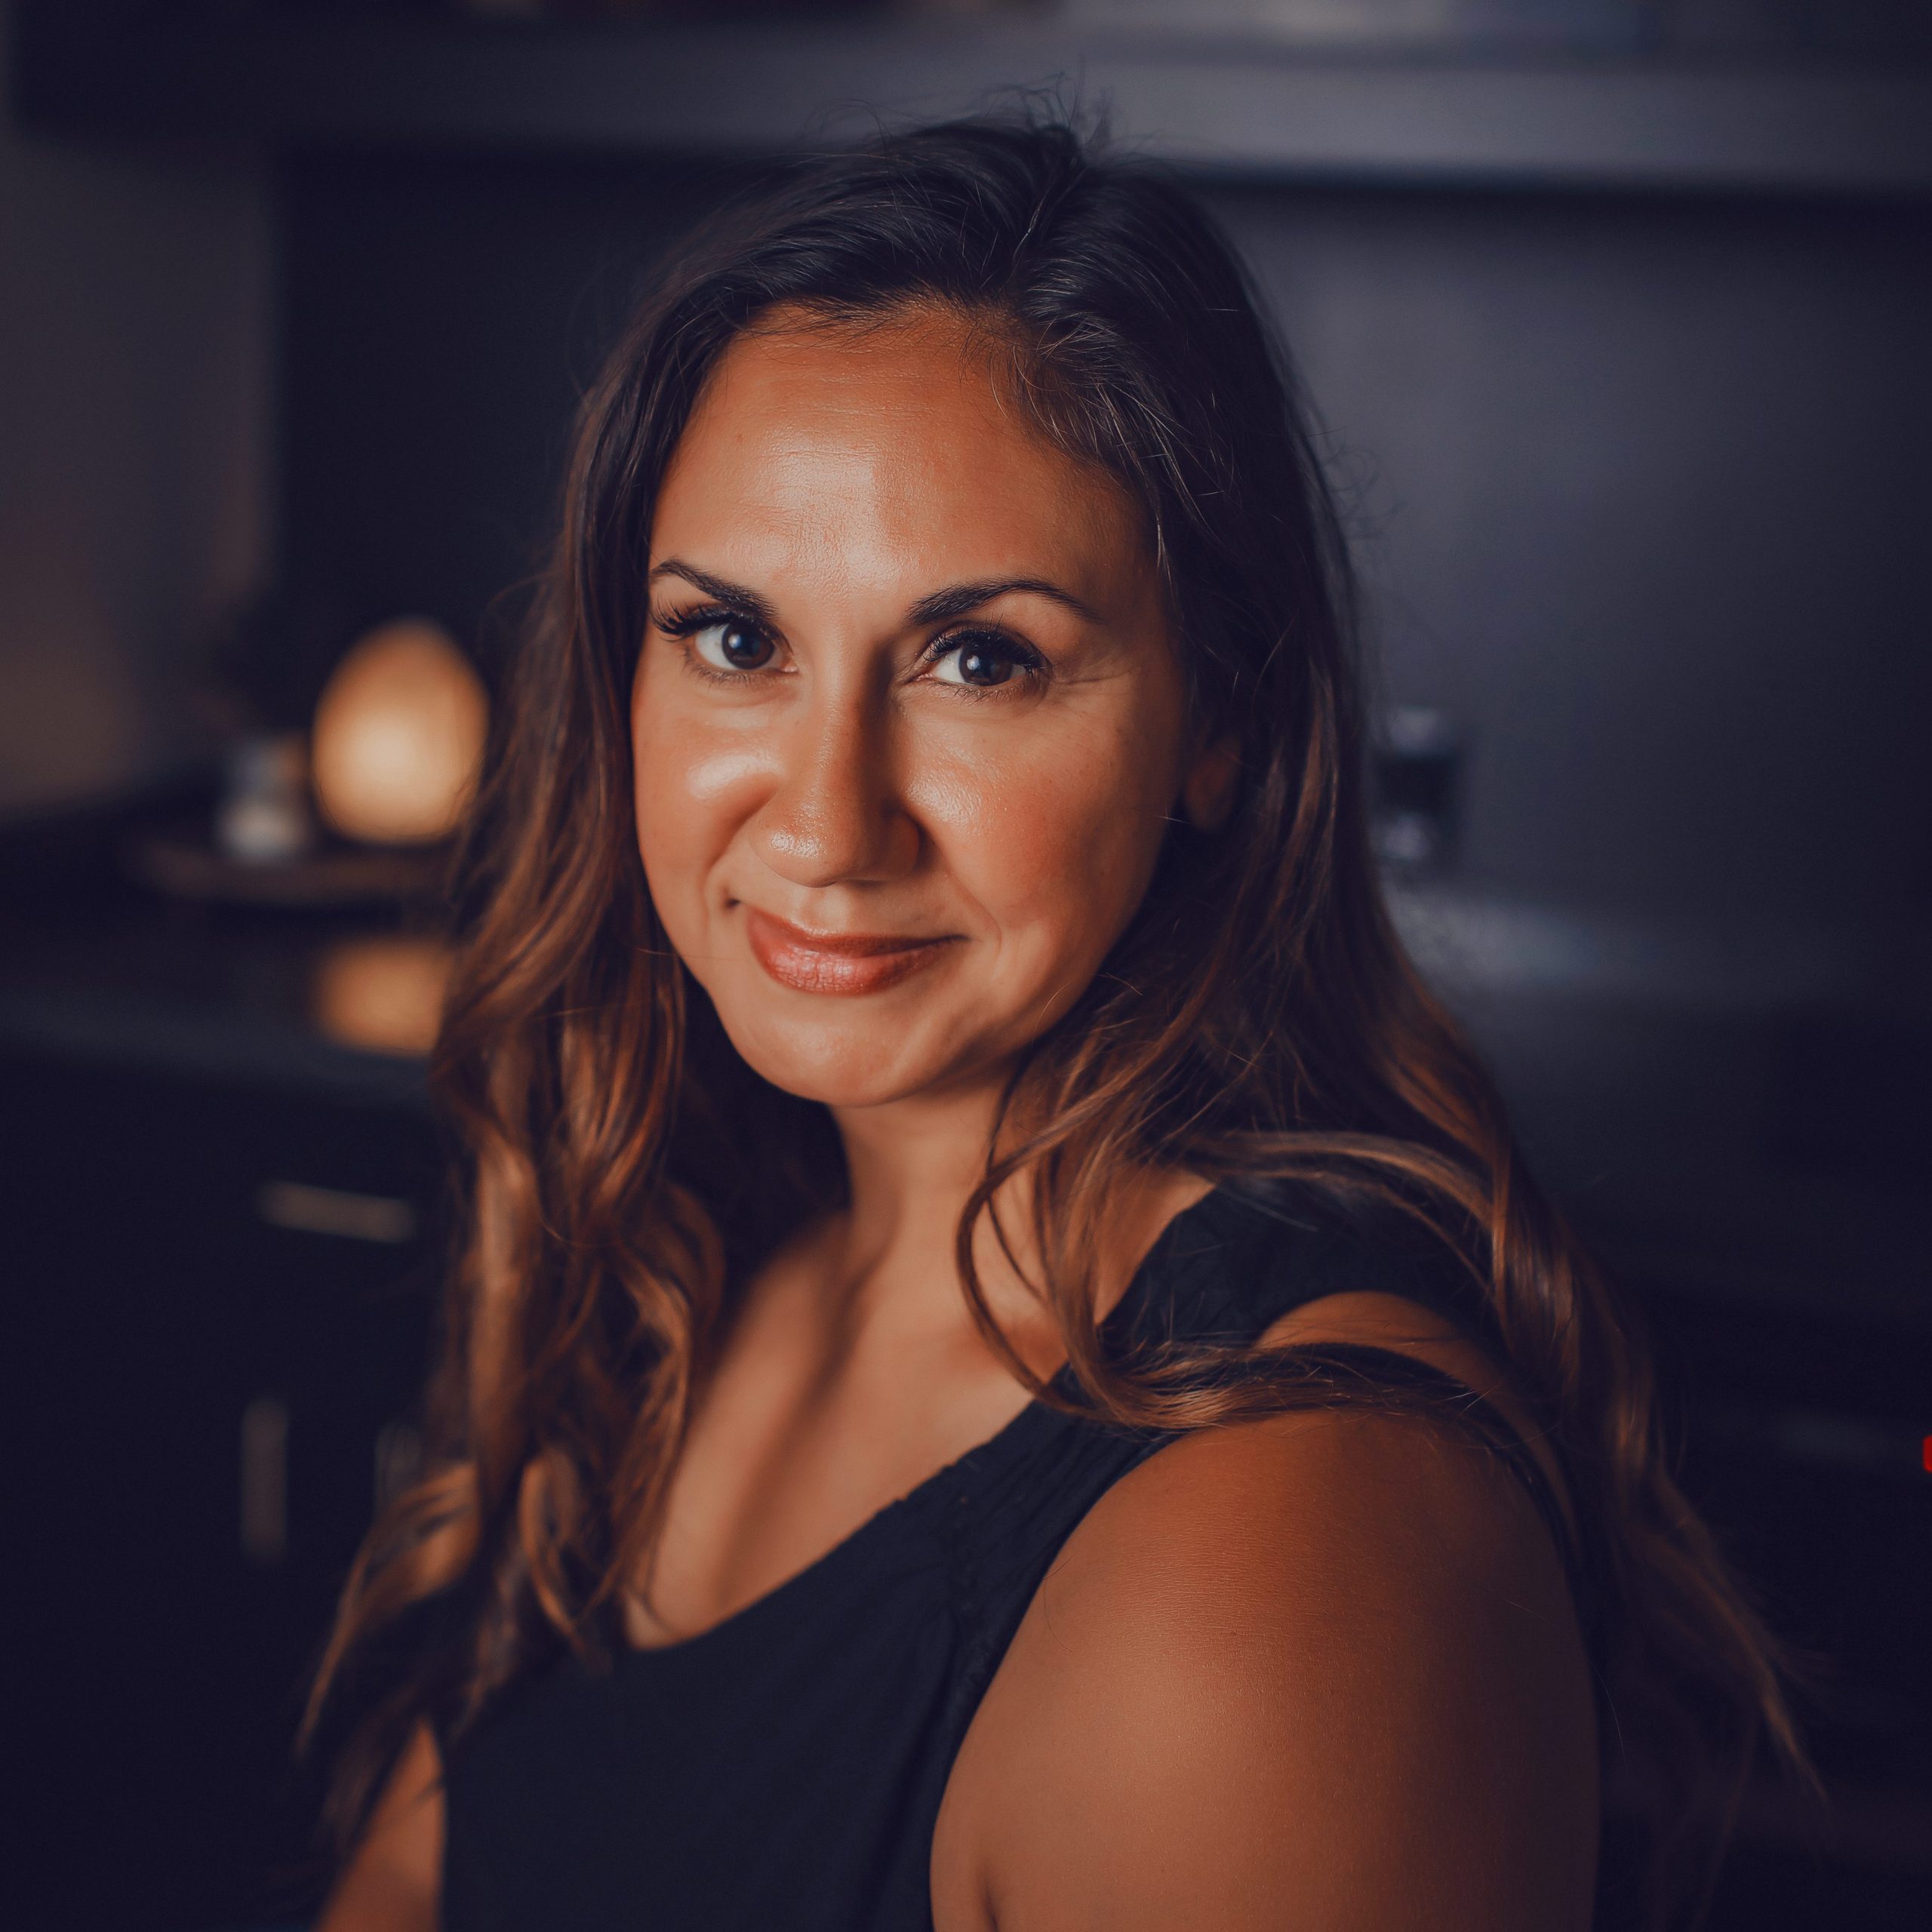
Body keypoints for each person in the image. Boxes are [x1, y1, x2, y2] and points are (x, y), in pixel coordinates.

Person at [306, 116, 1801, 1932]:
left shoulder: (1276, 1561)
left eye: (977, 658)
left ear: (1216, 723)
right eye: (733, 640)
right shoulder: (686, 1245)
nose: (823, 826)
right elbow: (428, 1862)